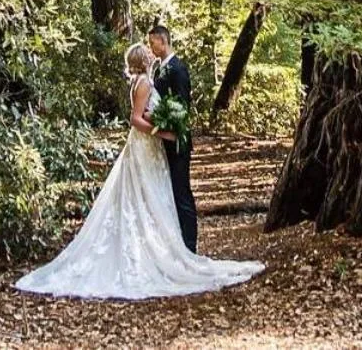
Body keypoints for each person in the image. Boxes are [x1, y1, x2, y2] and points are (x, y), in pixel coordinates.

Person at [14, 42, 264, 301]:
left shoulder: (142, 80)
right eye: (146, 52)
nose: (150, 53)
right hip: (145, 146)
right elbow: (135, 118)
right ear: (142, 59)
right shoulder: (143, 83)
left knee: (149, 195)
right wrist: (162, 131)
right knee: (146, 193)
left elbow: (146, 112)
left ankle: (158, 246)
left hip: (147, 147)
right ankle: (150, 253)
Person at [148, 21, 198, 251]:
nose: (151, 47)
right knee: (169, 193)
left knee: (181, 193)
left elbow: (182, 105)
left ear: (163, 40)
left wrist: (170, 128)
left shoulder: (177, 68)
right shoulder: (159, 68)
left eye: (152, 42)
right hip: (163, 141)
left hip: (177, 140)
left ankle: (190, 246)